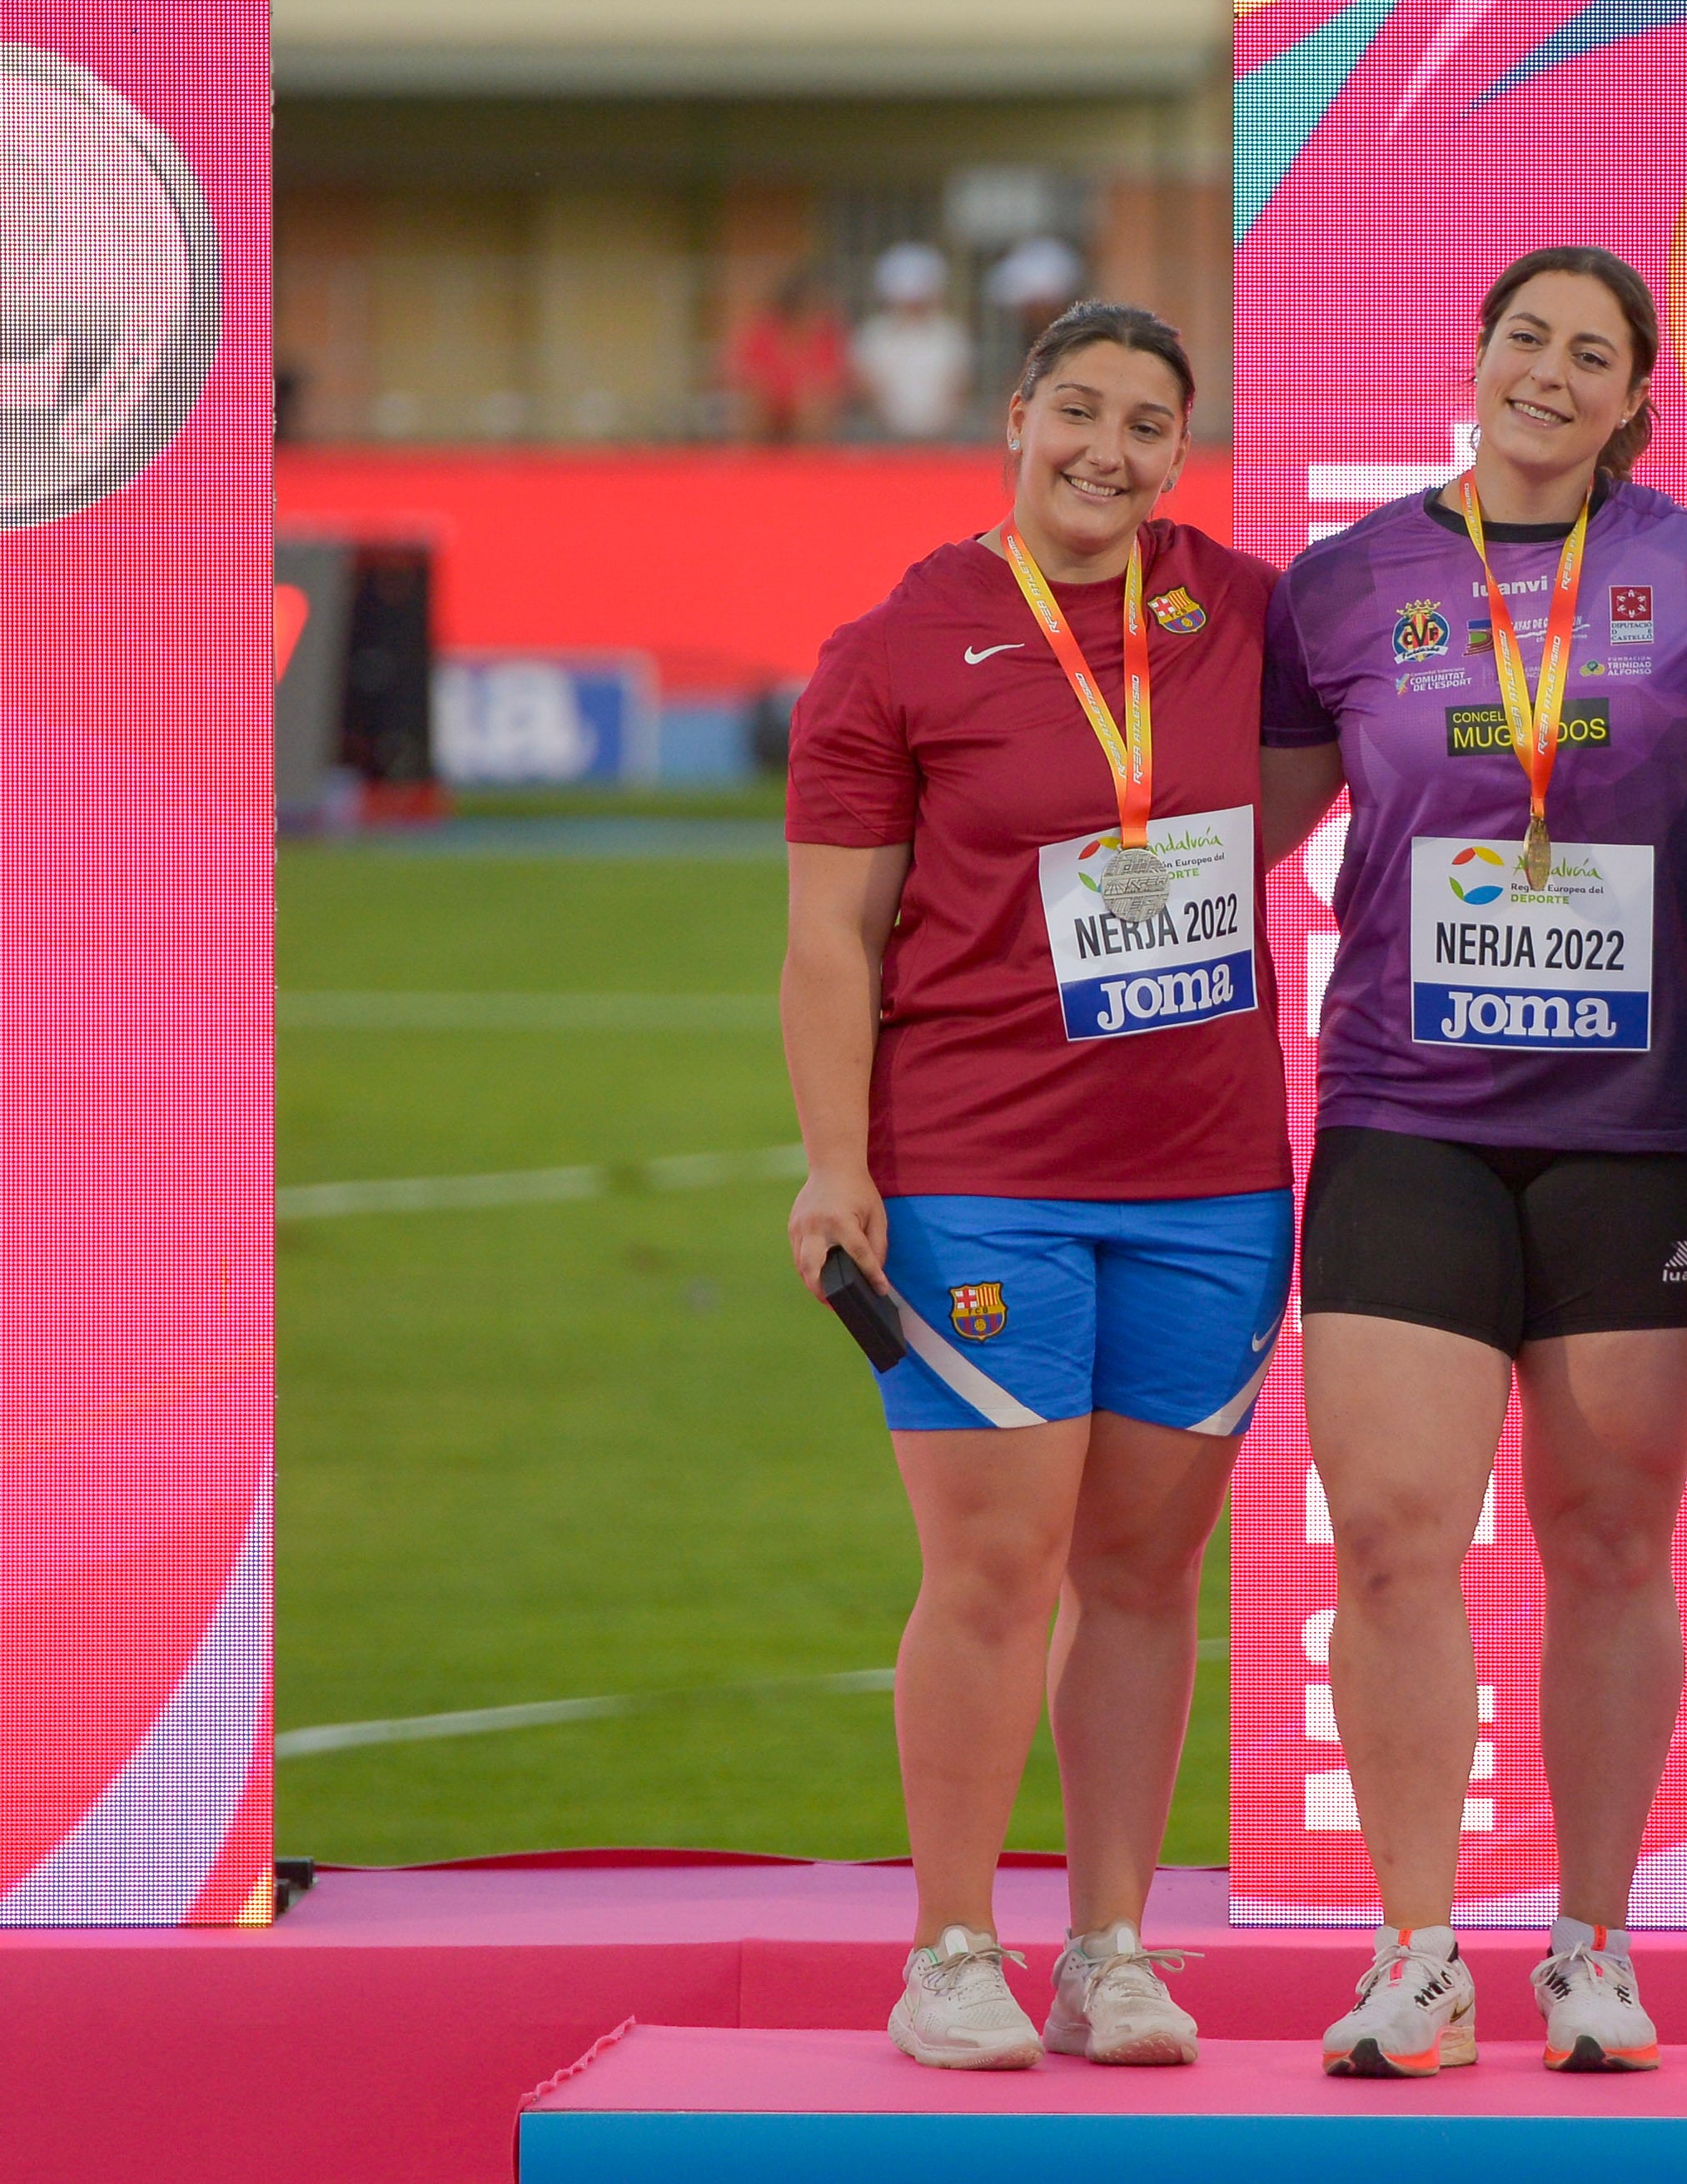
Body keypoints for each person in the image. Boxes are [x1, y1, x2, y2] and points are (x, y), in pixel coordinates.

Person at [1258, 244, 1687, 2077]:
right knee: (1393, 1539)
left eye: (1588, 355)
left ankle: (1589, 1944)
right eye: (1522, 340)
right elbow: (1219, 829)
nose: (1547, 374)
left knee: (1608, 1537)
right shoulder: (1344, 586)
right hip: (1405, 1119)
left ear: (1633, 397)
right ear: (1472, 354)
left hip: (1642, 1130)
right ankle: (1415, 1953)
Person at [782, 301, 1287, 2072]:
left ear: (1176, 449)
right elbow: (831, 941)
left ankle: (1110, 1947)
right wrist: (836, 1169)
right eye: (1078, 410)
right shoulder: (900, 644)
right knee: (996, 1567)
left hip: (1213, 1175)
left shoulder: (1236, 610)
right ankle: (945, 1947)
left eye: (1148, 424)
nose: (1110, 450)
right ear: (1013, 419)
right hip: (978, 1169)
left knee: (1146, 1573)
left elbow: (1275, 794)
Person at [852, 241, 976, 441]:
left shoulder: (950, 334)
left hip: (941, 438)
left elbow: (959, 386)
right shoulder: (874, 335)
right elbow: (867, 389)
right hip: (885, 439)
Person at [727, 265, 852, 444]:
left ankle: (807, 465)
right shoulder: (764, 330)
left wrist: (804, 395)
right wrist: (769, 393)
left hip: (807, 405)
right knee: (752, 406)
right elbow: (742, 370)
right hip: (769, 403)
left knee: (814, 407)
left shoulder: (827, 334)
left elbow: (835, 377)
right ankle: (750, 465)